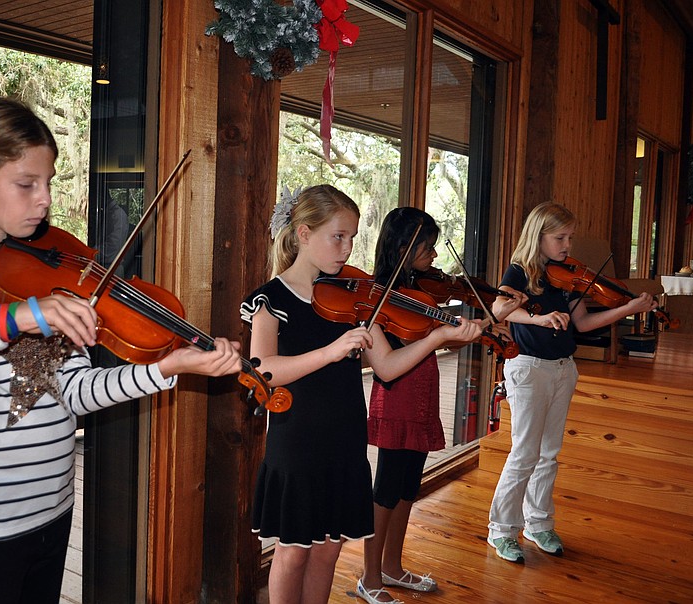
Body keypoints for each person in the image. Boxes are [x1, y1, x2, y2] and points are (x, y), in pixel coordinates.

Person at [0, 97, 242, 604]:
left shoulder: (54, 270)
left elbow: (73, 390)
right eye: (26, 184)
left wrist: (166, 367)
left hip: (53, 508)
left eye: (48, 182)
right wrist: (7, 320)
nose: (44, 199)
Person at [239, 186, 482, 604]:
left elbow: (387, 367)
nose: (348, 248)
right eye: (339, 236)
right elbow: (265, 369)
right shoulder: (272, 299)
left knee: (329, 551)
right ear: (303, 234)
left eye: (353, 237)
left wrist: (438, 336)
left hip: (346, 439)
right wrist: (331, 352)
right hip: (297, 440)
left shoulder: (353, 298)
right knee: (293, 553)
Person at [359, 208, 522, 603]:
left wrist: (484, 322)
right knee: (387, 489)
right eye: (426, 247)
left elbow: (442, 338)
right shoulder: (380, 295)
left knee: (408, 488)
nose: (434, 256)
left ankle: (393, 568)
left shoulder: (420, 290)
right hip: (397, 395)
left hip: (421, 395)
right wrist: (478, 323)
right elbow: (401, 350)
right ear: (402, 247)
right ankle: (369, 578)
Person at [486, 201, 657, 564]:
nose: (567, 245)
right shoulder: (520, 271)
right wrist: (538, 318)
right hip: (529, 367)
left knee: (549, 453)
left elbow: (583, 323)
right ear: (539, 236)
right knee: (524, 453)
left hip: (564, 368)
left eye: (570, 237)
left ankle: (538, 523)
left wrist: (629, 309)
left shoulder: (568, 275)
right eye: (559, 237)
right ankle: (501, 530)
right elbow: (502, 308)